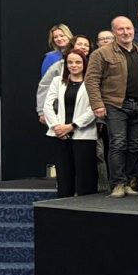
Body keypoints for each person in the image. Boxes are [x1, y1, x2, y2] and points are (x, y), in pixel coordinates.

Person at [86, 17, 138, 198]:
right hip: (115, 104)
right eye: (121, 29)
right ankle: (118, 184)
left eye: (128, 28)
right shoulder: (101, 53)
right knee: (118, 144)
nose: (125, 32)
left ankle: (128, 182)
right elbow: (91, 80)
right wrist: (97, 104)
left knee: (135, 146)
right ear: (114, 32)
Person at [44, 48, 98, 196]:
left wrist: (72, 126)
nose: (74, 65)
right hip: (59, 135)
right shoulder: (57, 81)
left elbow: (94, 108)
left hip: (84, 135)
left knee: (85, 178)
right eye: (70, 62)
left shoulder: (92, 82)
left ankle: (85, 207)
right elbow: (48, 106)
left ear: (84, 64)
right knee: (64, 177)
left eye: (78, 62)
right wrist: (57, 127)